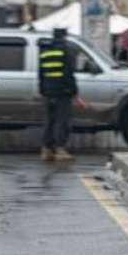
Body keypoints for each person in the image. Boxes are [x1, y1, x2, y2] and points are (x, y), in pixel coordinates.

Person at [38, 27, 85, 162]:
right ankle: (60, 150)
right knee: (62, 121)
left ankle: (46, 150)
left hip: (48, 91)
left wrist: (42, 90)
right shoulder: (65, 50)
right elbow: (68, 74)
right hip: (62, 92)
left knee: (49, 121)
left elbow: (41, 74)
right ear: (64, 36)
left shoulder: (45, 52)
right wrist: (74, 91)